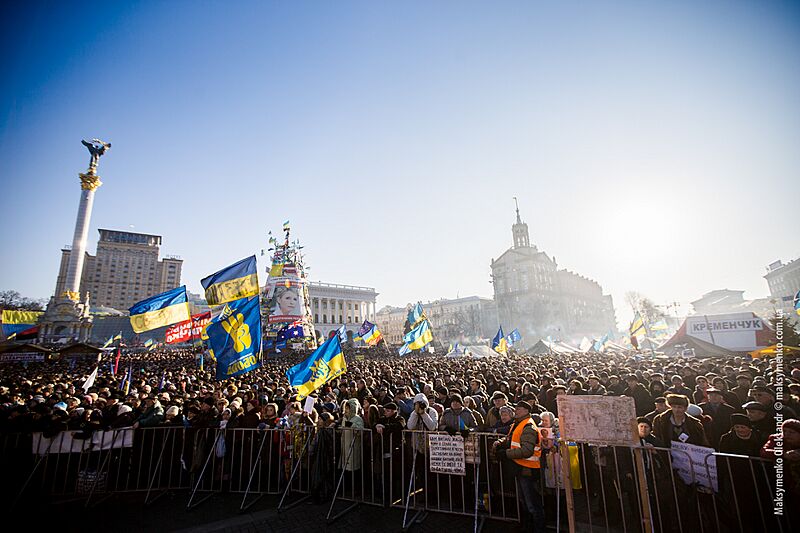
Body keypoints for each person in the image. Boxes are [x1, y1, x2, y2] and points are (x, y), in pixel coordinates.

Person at [493, 400, 545, 533]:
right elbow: (511, 438)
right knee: (524, 501)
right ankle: (526, 526)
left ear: (526, 411)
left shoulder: (528, 426)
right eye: (516, 408)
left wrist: (505, 453)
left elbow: (527, 450)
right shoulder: (518, 424)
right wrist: (500, 442)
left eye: (519, 409)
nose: (516, 411)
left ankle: (538, 528)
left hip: (528, 469)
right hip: (520, 467)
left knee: (532, 503)